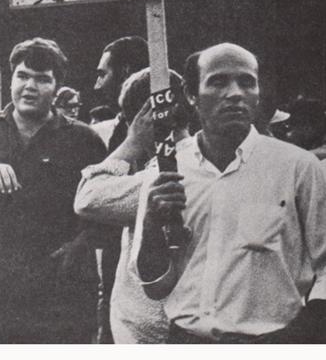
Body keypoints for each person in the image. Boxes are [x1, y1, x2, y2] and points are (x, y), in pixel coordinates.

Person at [132, 43, 326, 343]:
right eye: (218, 81)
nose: (235, 93)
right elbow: (154, 286)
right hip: (187, 341)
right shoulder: (166, 170)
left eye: (247, 82)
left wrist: (306, 334)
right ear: (191, 93)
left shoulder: (298, 167)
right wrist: (151, 225)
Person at [0, 38, 106, 343]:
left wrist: (81, 244)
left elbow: (105, 209)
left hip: (60, 291)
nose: (30, 86)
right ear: (11, 78)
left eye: (42, 79)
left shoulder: (83, 139)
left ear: (57, 87)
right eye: (23, 76)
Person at [74, 68, 191, 343]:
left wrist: (132, 142)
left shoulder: (161, 176)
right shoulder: (196, 163)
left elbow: (87, 197)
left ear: (143, 119)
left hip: (150, 330)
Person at [89, 35, 148, 343]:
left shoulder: (153, 130)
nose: (97, 85)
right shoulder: (113, 129)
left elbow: (91, 197)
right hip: (115, 255)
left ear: (124, 72)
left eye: (103, 74)